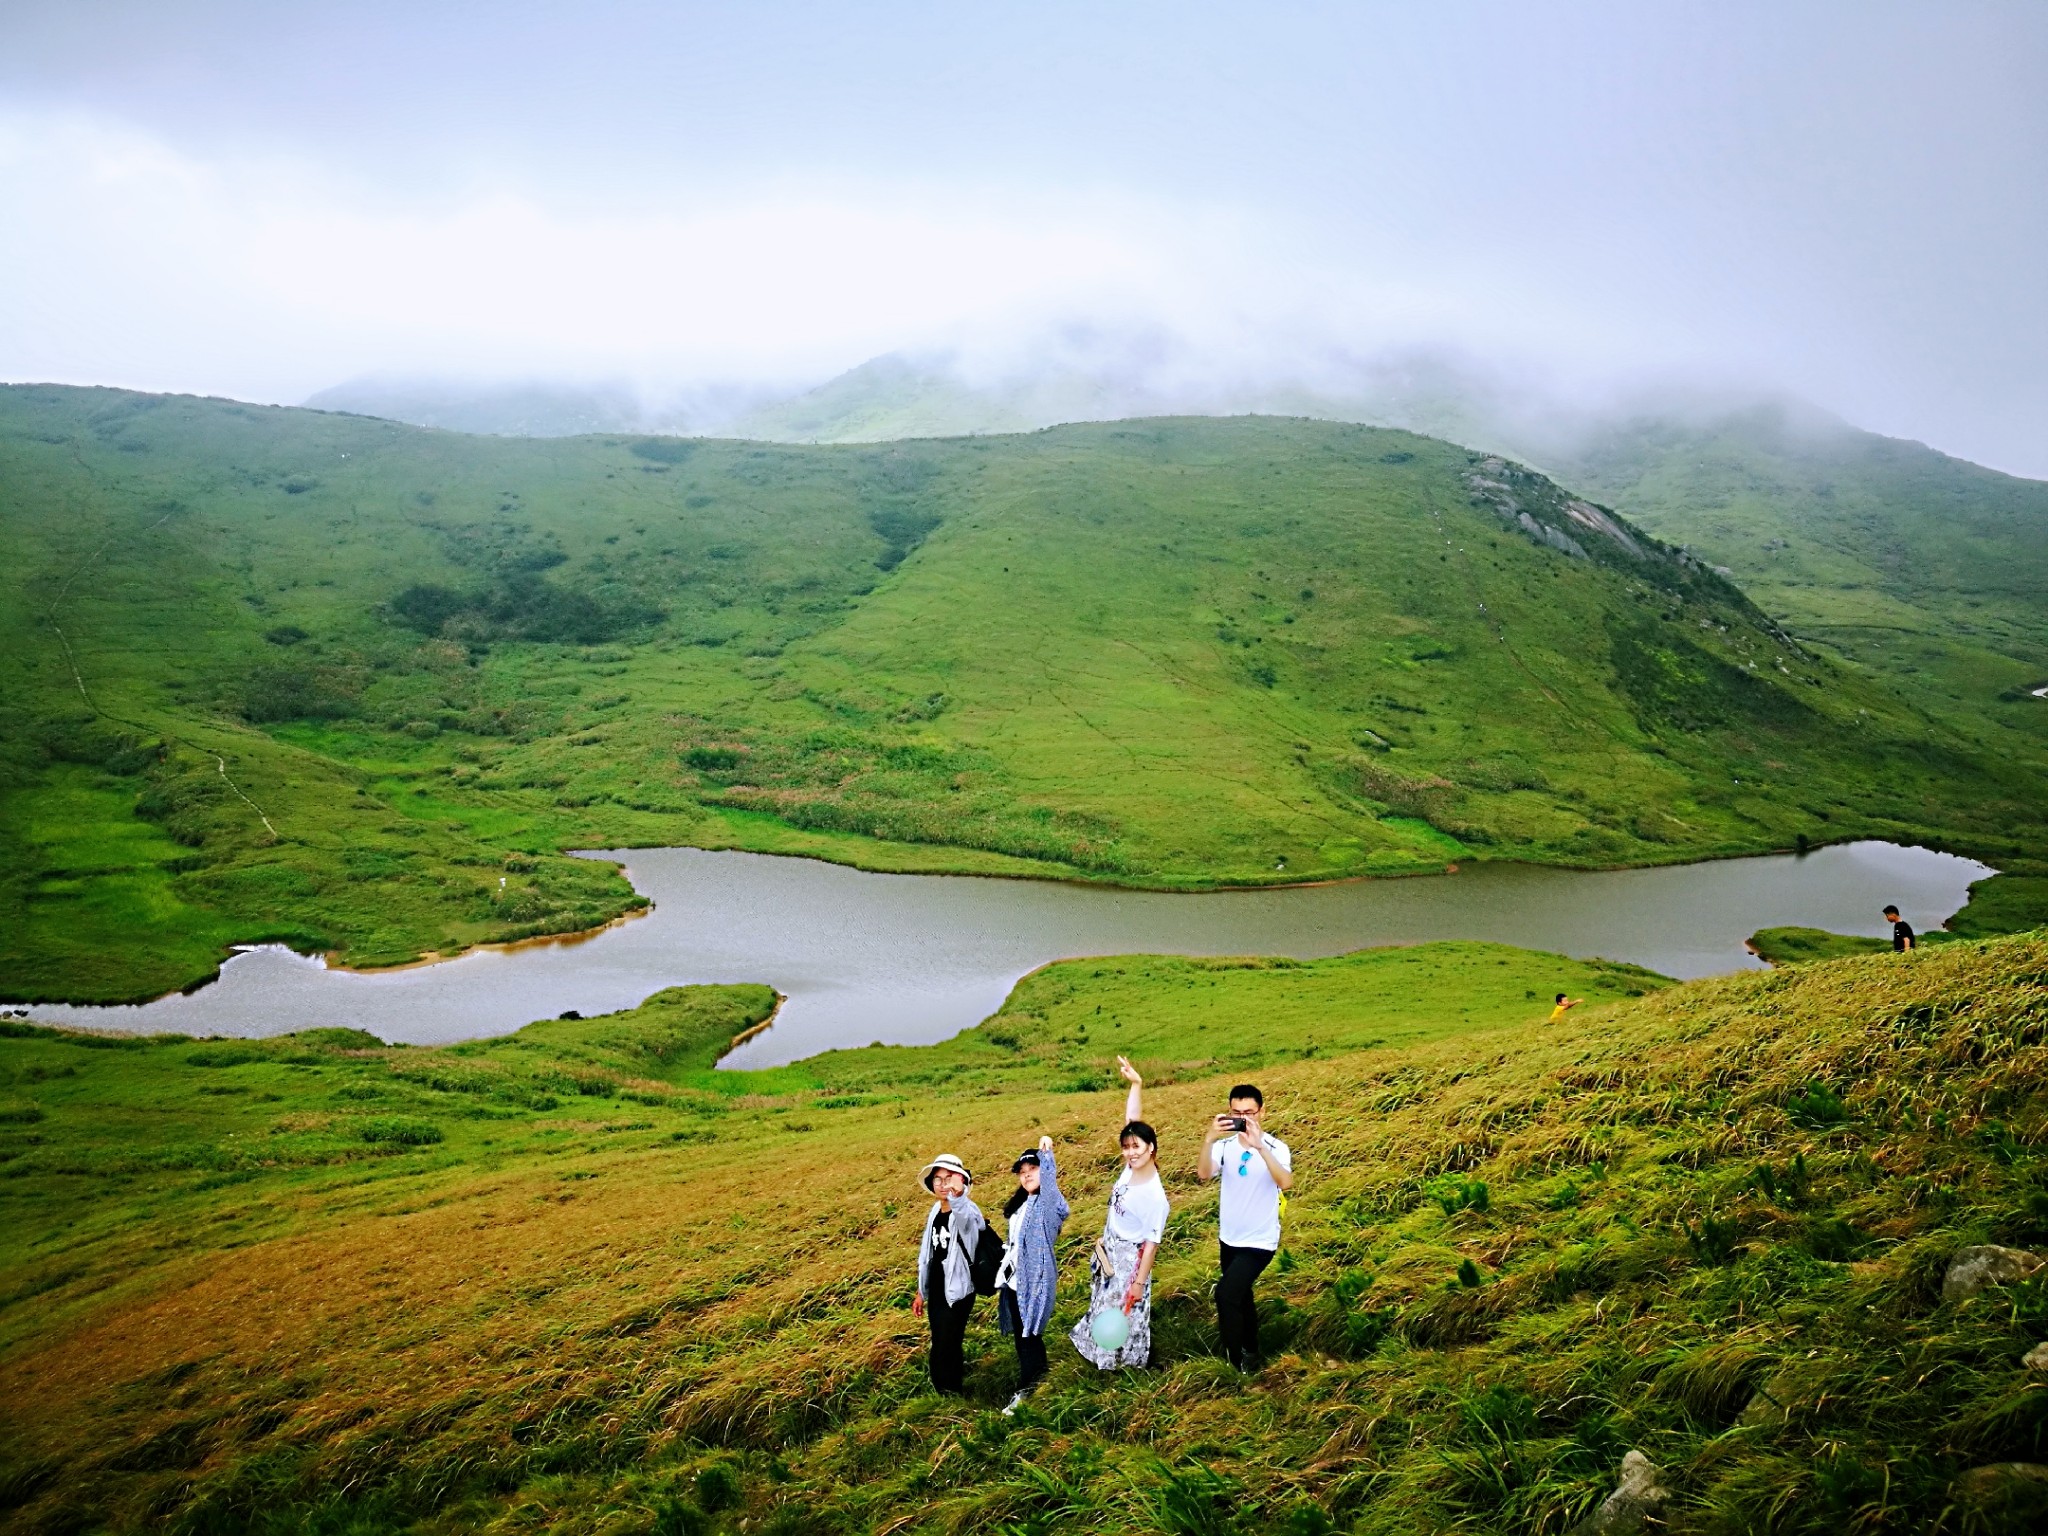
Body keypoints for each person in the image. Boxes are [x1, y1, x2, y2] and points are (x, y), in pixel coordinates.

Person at [1071, 1056, 1167, 1370]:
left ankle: (1123, 1365)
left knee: (1123, 1311)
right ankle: (1101, 1356)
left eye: (1136, 1146)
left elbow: (1151, 1245)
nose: (1130, 1152)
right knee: (1102, 1306)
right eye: (1126, 1147)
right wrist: (1137, 1084)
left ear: (1151, 1147)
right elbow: (1132, 1119)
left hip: (1130, 1260)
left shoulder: (1155, 1196)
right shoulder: (1129, 1169)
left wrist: (1139, 1283)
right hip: (1111, 1249)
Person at [1197, 1082, 1295, 1373]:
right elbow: (1203, 1174)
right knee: (1242, 1295)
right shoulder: (1224, 1147)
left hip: (1260, 1241)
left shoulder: (1276, 1148)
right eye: (1236, 1113)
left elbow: (1285, 1182)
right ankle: (1251, 1351)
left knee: (1225, 1295)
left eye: (1249, 1112)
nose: (1243, 1118)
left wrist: (1260, 1147)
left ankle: (1233, 1364)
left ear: (1262, 1111)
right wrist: (1208, 1139)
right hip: (1229, 1238)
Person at [996, 1134, 1070, 1414]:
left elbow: (1050, 1185)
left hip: (1036, 1277)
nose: (1027, 1176)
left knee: (1030, 1334)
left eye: (1033, 1170)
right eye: (1023, 1173)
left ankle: (1029, 1389)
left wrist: (1047, 1154)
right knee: (1023, 1336)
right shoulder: (1022, 1205)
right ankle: (1035, 1383)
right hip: (1014, 1280)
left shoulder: (1049, 1204)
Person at [912, 1152, 986, 1396]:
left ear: (961, 1181)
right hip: (938, 1285)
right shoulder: (935, 1211)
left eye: (949, 1178)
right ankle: (941, 1389)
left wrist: (958, 1196)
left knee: (948, 1341)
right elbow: (927, 1253)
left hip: (959, 1287)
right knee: (939, 1338)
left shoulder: (968, 1211)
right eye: (938, 1179)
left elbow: (967, 1223)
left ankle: (951, 1390)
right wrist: (921, 1291)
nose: (943, 1184)